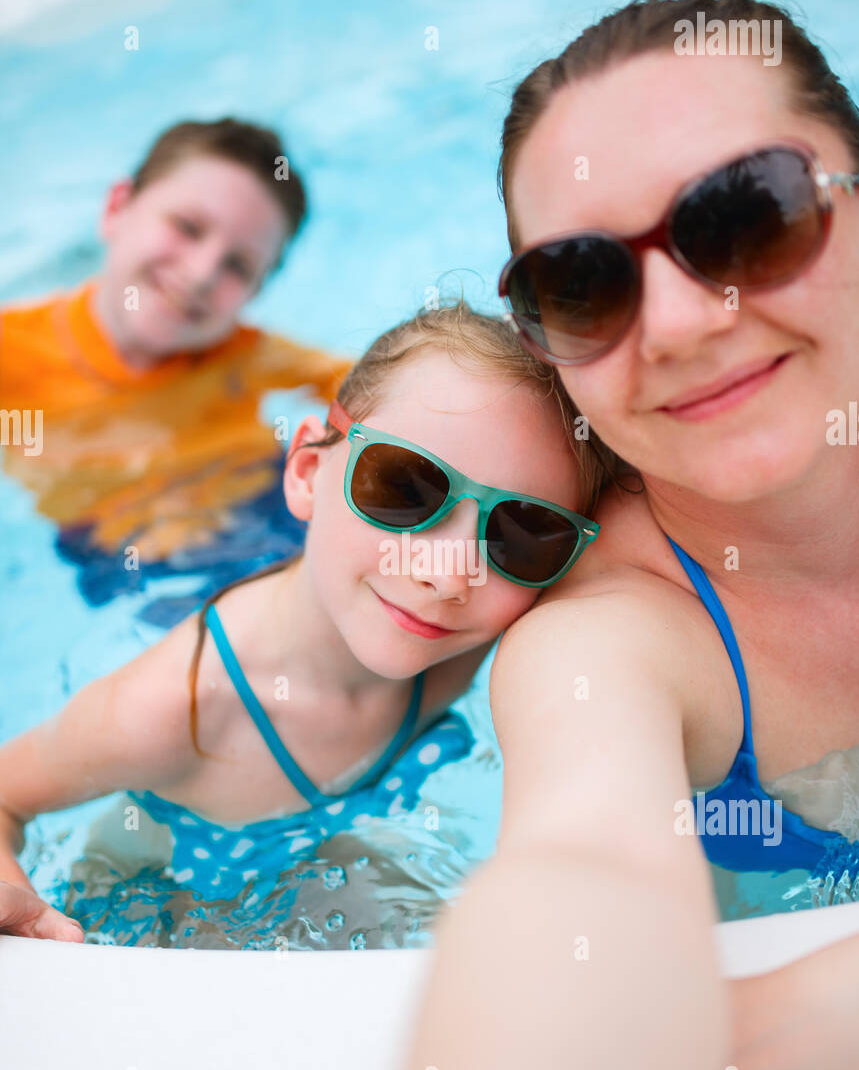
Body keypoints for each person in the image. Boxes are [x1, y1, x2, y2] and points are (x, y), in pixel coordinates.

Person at [373, 0, 859, 1070]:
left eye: (749, 216)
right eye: (583, 285)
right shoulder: (615, 637)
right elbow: (578, 873)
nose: (684, 324)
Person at [0, 303, 601, 931]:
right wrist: (38, 933)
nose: (448, 575)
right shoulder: (168, 713)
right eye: (405, 489)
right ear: (307, 472)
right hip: (165, 888)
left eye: (523, 534)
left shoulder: (492, 621)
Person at [0, 118, 352, 620]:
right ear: (116, 207)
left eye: (237, 267)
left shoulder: (245, 353)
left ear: (255, 294)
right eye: (186, 228)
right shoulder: (10, 353)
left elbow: (370, 391)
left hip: (273, 508)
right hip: (129, 555)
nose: (202, 273)